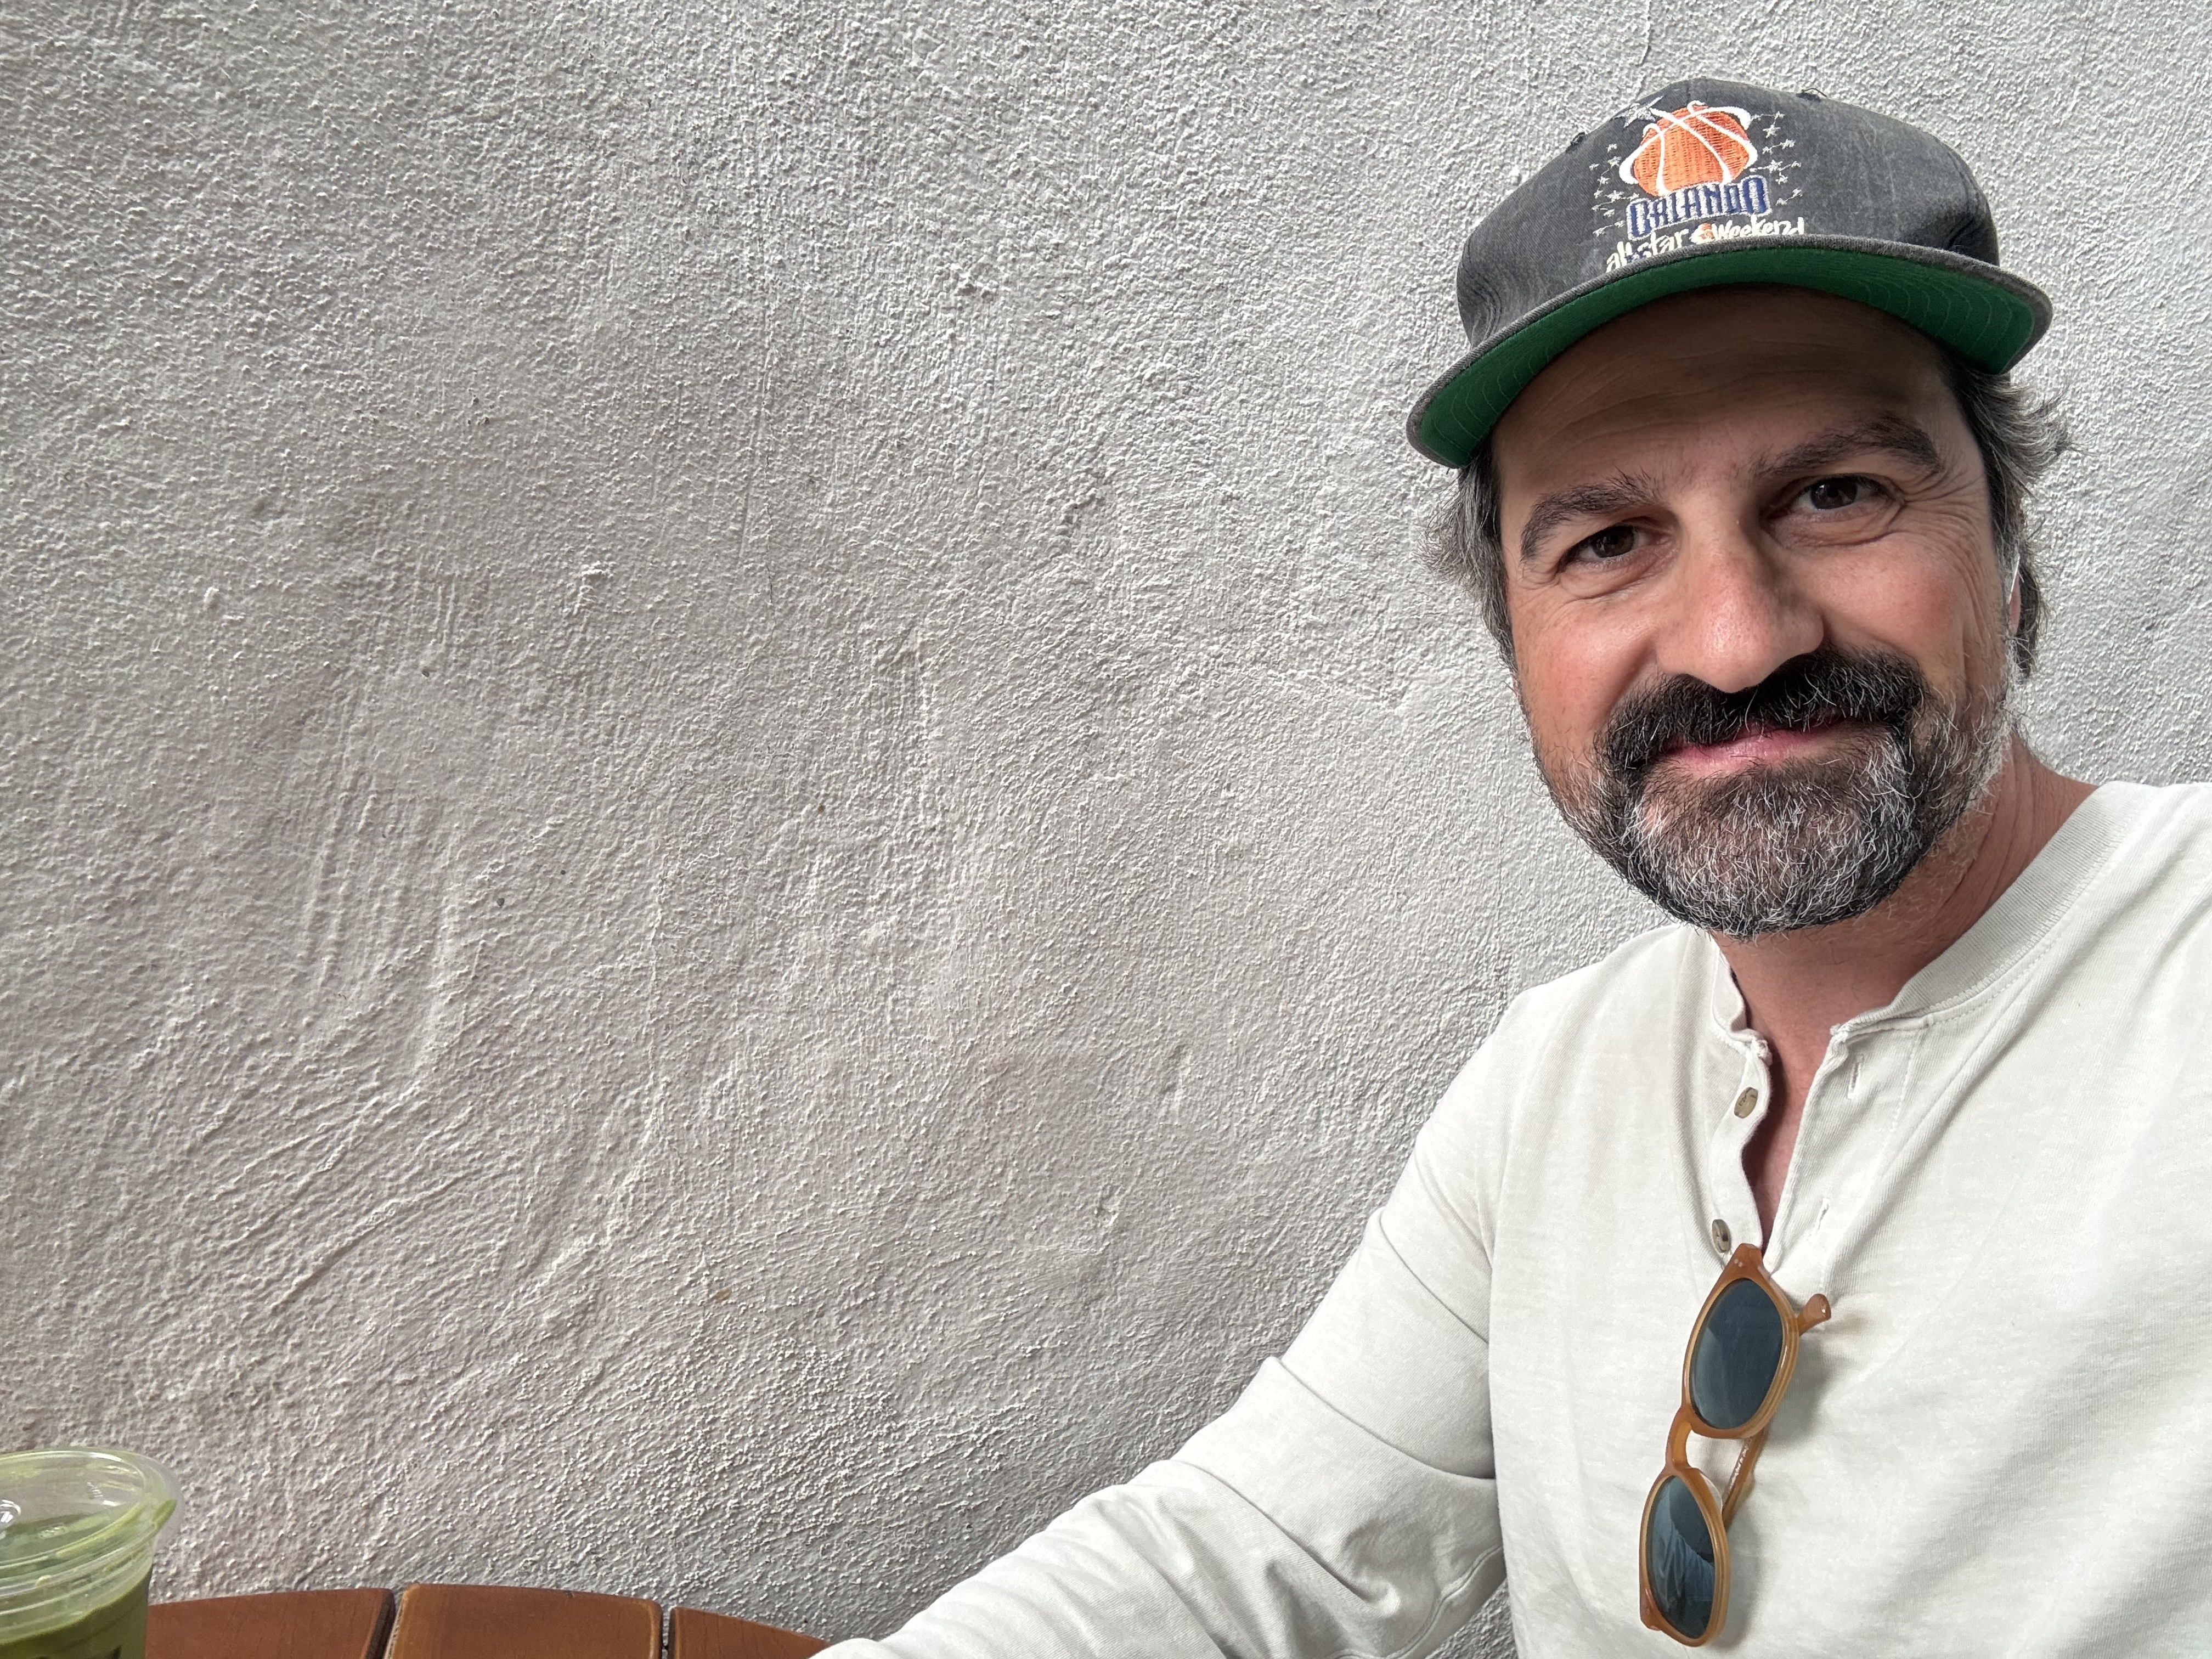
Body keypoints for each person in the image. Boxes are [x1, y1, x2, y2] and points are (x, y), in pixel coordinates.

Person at [822, 78, 2212, 1656]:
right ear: (1514, 636)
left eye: (1838, 495)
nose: (1737, 640)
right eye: (1608, 541)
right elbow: (1258, 1547)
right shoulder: (1556, 1081)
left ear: (2010, 554)